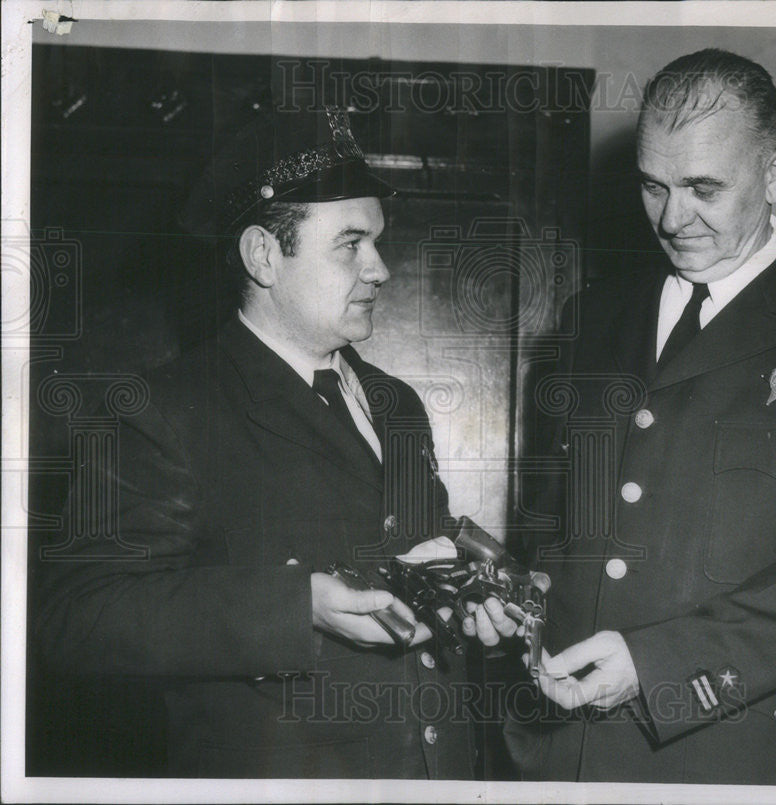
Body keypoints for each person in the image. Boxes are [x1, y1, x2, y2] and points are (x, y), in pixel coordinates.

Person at [474, 49, 776, 785]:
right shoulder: (593, 319)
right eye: (653, 187)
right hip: (575, 752)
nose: (671, 217)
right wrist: (520, 600)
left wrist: (656, 666)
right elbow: (562, 529)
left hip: (751, 755)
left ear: (774, 176)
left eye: (704, 188)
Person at [35, 107, 475, 779]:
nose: (380, 268)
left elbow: (412, 560)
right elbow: (76, 619)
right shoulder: (164, 409)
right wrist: (297, 607)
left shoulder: (396, 403)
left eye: (377, 241)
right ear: (263, 256)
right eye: (351, 243)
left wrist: (466, 593)